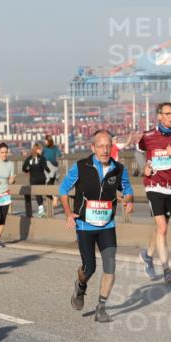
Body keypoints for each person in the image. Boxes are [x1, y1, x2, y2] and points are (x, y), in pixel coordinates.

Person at [60, 130, 134, 323]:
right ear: (93, 148)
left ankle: (101, 307)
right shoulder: (81, 167)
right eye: (101, 146)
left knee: (110, 266)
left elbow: (127, 188)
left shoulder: (118, 169)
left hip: (107, 225)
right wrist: (68, 213)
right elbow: (62, 190)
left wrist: (129, 199)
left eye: (108, 146)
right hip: (85, 225)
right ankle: (81, 285)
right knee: (89, 268)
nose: (105, 150)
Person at [135, 102, 171, 285]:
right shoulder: (149, 136)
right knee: (162, 228)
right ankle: (167, 270)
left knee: (161, 227)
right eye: (167, 114)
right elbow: (138, 152)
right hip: (154, 185)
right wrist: (142, 167)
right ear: (159, 116)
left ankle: (148, 255)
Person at [22, 143, 49, 217]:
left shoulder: (29, 158)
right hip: (42, 178)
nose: (41, 150)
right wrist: (50, 171)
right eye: (40, 149)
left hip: (33, 179)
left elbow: (24, 168)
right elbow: (45, 167)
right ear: (37, 150)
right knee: (44, 191)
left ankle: (41, 208)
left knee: (38, 194)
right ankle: (43, 206)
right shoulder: (42, 158)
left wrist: (28, 170)